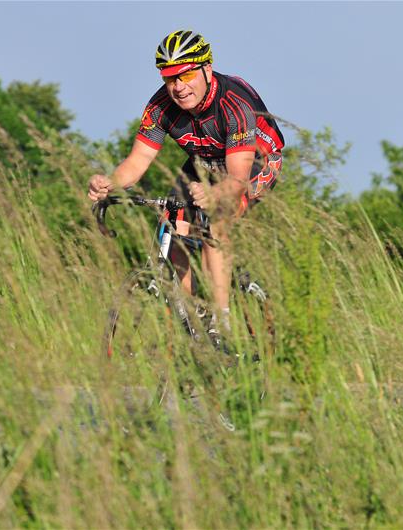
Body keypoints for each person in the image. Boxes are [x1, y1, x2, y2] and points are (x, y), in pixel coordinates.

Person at [88, 29, 284, 348]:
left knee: (216, 221)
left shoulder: (233, 104)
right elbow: (137, 161)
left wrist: (215, 195)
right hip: (205, 161)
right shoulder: (161, 106)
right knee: (171, 223)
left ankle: (221, 321)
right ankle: (193, 319)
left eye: (186, 74)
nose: (178, 86)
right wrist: (110, 182)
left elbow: (236, 179)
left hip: (254, 162)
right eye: (170, 78)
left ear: (207, 69)